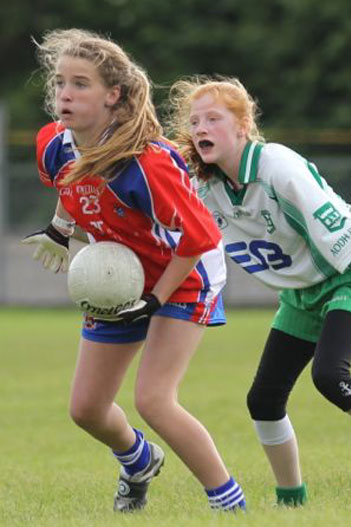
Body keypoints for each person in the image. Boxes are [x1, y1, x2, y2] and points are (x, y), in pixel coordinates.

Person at [167, 75, 351, 506]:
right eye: (195, 121)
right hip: (303, 294)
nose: (200, 128)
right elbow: (183, 240)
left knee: (329, 375)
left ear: (243, 127)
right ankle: (291, 502)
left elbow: (347, 228)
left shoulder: (276, 166)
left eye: (213, 119)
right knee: (263, 399)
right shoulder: (206, 188)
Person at [22, 31, 246, 513]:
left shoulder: (146, 164)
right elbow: (69, 184)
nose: (64, 93)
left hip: (184, 274)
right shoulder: (52, 146)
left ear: (114, 96)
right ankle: (139, 460)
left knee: (154, 400)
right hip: (123, 274)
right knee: (86, 410)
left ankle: (230, 505)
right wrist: (61, 229)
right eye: (60, 82)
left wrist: (156, 299)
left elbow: (200, 238)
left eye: (80, 84)